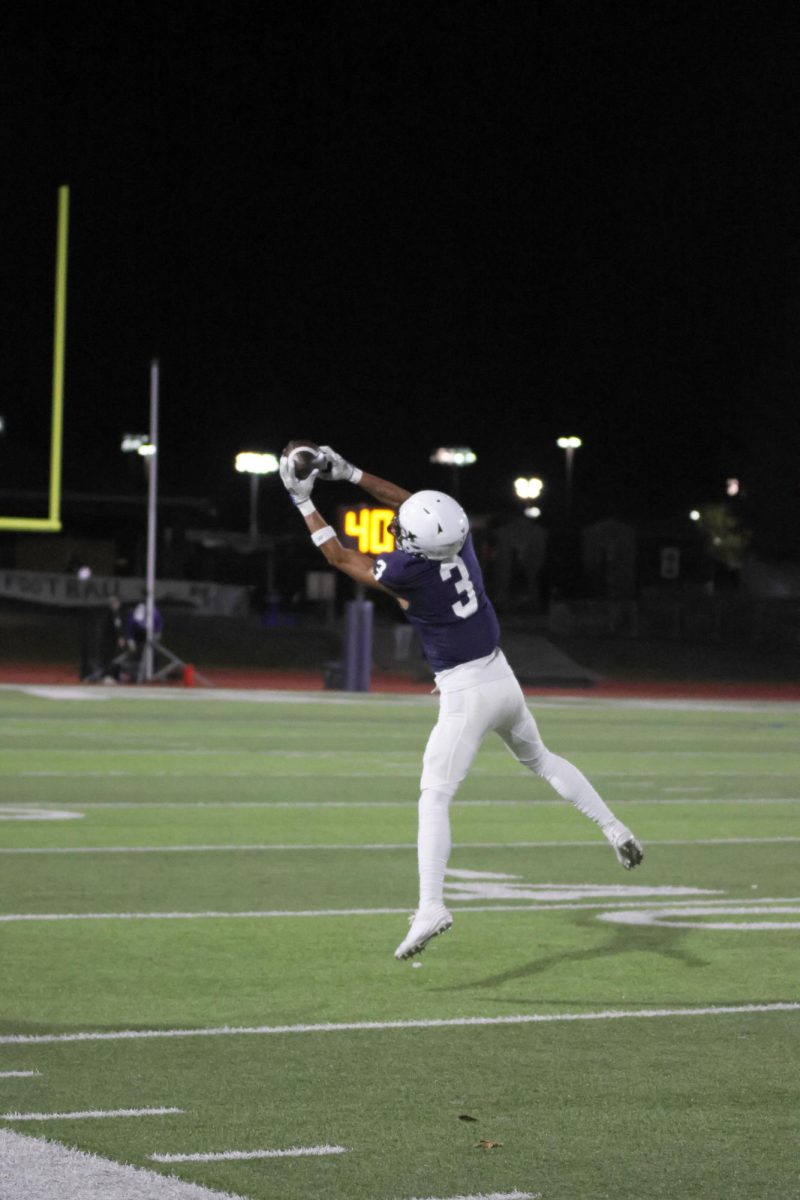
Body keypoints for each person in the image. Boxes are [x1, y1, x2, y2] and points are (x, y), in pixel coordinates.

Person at [279, 443, 643, 961]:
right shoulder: (460, 535)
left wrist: (302, 500)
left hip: (465, 693)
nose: (400, 531)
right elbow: (414, 505)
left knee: (434, 795)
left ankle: (431, 904)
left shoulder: (408, 570)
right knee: (541, 759)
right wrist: (352, 472)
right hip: (502, 675)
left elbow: (338, 555)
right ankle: (614, 827)